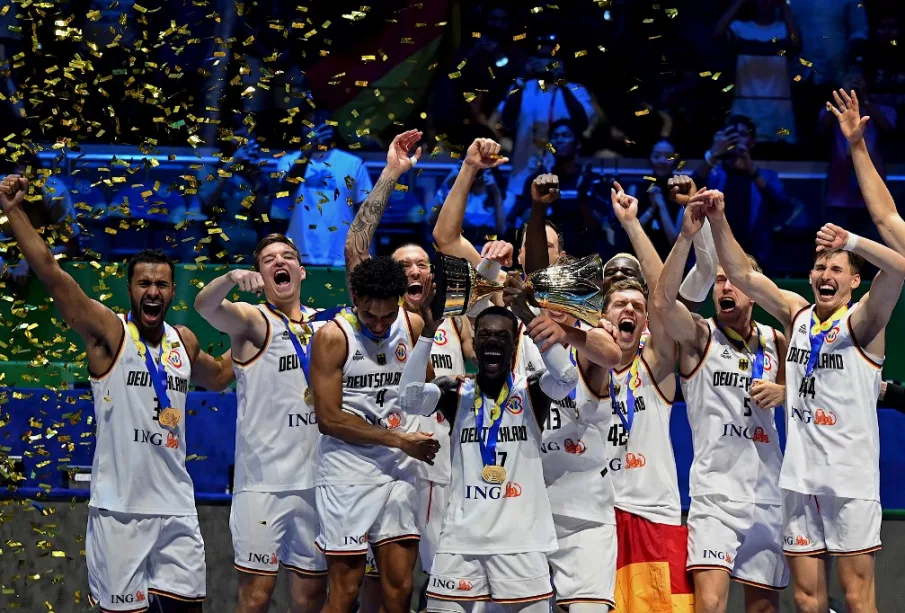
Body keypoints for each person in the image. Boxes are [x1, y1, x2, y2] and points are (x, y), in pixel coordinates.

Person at [0, 175, 232, 613]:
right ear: (130, 289)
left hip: (178, 509)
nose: (153, 291)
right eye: (144, 283)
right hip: (119, 513)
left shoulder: (184, 341)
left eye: (162, 284)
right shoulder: (111, 334)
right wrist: (13, 211)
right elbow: (51, 273)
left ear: (172, 291)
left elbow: (219, 379)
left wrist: (256, 334)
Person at [694, 178, 905, 613]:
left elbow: (901, 267)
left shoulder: (864, 322)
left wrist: (854, 240)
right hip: (799, 480)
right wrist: (718, 218)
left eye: (836, 269)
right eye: (820, 268)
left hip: (849, 480)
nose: (825, 276)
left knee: (857, 599)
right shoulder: (797, 313)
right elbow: (741, 274)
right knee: (808, 602)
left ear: (854, 280)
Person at [397, 286, 579, 611]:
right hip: (460, 540)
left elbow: (567, 377)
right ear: (474, 343)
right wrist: (427, 332)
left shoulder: (532, 390)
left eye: (501, 336)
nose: (492, 341)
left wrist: (527, 315)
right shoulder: (455, 390)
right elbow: (408, 400)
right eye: (484, 335)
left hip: (521, 541)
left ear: (513, 345)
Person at [652, 201, 789, 613]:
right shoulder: (699, 336)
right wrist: (686, 238)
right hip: (715, 495)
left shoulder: (778, 341)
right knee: (709, 605)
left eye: (734, 281)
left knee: (763, 609)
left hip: (768, 492)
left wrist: (787, 392)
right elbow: (661, 304)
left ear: (756, 288)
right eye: (719, 281)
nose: (725, 288)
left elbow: (817, 391)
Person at [193, 234, 326, 613]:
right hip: (263, 485)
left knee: (310, 598)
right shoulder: (252, 321)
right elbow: (205, 306)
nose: (278, 262)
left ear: (301, 271)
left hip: (318, 482)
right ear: (260, 274)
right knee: (255, 598)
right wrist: (230, 278)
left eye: (287, 256)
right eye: (268, 259)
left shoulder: (328, 326)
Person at [310, 255, 440, 613]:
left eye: (387, 315)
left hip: (399, 468)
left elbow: (421, 387)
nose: (380, 325)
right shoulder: (332, 337)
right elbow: (329, 419)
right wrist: (399, 440)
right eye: (370, 316)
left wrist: (428, 331)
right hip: (348, 471)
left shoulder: (411, 324)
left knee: (399, 589)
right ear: (354, 298)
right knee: (345, 591)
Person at [606, 184, 694, 612]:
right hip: (597, 515)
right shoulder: (582, 367)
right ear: (601, 314)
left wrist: (631, 224)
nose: (628, 308)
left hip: (653, 515)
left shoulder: (655, 366)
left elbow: (664, 297)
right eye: (617, 301)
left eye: (636, 304)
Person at [690, 116, 791, 269]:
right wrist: (713, 153)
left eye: (742, 135)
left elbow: (782, 206)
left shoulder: (767, 176)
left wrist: (752, 170)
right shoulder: (713, 174)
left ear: (752, 142)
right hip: (716, 257)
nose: (736, 139)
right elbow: (691, 192)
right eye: (731, 134)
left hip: (756, 258)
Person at [273, 117, 373, 267]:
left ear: (330, 130)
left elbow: (366, 211)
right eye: (308, 126)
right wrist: (307, 152)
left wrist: (363, 249)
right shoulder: (289, 161)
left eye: (319, 127)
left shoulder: (353, 163)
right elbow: (285, 189)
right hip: (299, 253)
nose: (314, 132)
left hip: (342, 254)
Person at [494, 33, 598, 177]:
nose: (545, 64)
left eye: (551, 59)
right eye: (540, 59)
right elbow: (507, 121)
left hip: (562, 176)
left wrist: (561, 82)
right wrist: (523, 77)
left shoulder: (575, 90)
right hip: (522, 174)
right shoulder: (522, 89)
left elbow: (583, 123)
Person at [714, 0, 801, 147]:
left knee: (783, 155)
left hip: (779, 109)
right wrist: (739, 2)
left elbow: (796, 44)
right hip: (744, 107)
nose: (765, 3)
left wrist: (784, 6)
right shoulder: (740, 28)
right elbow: (717, 35)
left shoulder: (784, 29)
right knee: (739, 151)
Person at [626, 140, 683, 258]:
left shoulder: (683, 192)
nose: (662, 161)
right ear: (650, 159)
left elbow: (675, 241)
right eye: (657, 156)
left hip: (669, 261)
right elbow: (630, 235)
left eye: (668, 157)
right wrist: (651, 209)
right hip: (639, 260)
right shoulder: (636, 190)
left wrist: (661, 206)